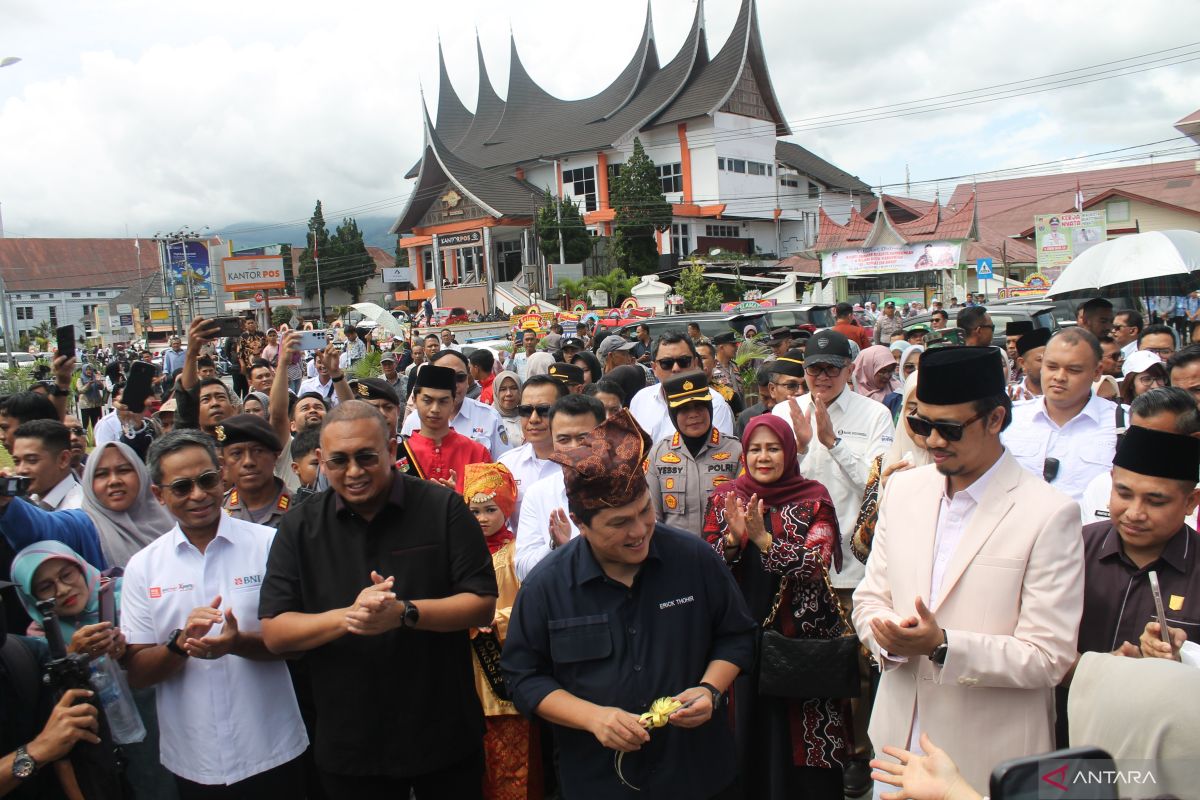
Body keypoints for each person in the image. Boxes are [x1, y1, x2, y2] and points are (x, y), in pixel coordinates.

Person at [852, 345, 1083, 795]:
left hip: (985, 761)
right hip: (895, 752)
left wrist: (943, 647)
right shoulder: (902, 490)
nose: (932, 441)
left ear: (995, 419)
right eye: (920, 424)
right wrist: (889, 639)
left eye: (949, 429)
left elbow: (1049, 656)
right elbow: (869, 597)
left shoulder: (1048, 513)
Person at [501, 410, 756, 800]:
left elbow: (736, 636)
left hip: (697, 773)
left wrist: (710, 689)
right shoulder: (547, 587)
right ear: (580, 523)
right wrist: (594, 718)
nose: (639, 532)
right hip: (597, 781)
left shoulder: (694, 560)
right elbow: (524, 678)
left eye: (645, 512)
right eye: (619, 523)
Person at [258, 402, 498, 796]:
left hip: (442, 728)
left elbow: (480, 602)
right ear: (320, 460)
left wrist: (405, 613)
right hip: (350, 739)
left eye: (366, 457)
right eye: (338, 461)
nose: (354, 472)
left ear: (391, 449)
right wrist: (349, 618)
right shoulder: (300, 527)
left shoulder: (443, 509)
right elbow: (276, 631)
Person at [119, 431, 307, 796]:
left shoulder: (269, 546)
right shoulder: (143, 568)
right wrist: (178, 646)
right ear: (159, 495)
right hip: (195, 758)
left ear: (222, 475)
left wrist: (237, 644)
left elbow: (298, 646)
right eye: (181, 487)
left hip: (273, 746)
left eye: (206, 480)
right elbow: (138, 672)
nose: (198, 495)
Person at [703, 414, 848, 798]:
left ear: (787, 450)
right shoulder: (725, 498)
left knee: (803, 741)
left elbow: (816, 563)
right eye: (755, 449)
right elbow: (708, 567)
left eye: (772, 448)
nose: (763, 457)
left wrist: (765, 541)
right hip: (740, 641)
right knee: (744, 733)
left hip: (801, 643)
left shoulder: (813, 499)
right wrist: (733, 542)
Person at [770, 331, 893, 590]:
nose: (823, 377)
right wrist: (799, 449)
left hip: (851, 567)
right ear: (804, 370)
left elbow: (877, 488)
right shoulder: (783, 412)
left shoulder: (875, 415)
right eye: (815, 369)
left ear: (849, 370)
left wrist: (834, 445)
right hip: (794, 560)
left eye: (832, 368)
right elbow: (771, 485)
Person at [1077, 424, 1200, 663]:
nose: (1134, 513)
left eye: (1155, 501)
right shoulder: (1074, 548)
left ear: (1191, 502)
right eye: (1124, 494)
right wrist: (1094, 670)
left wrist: (1182, 659)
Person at [460, 463, 542, 800]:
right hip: (468, 666)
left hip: (503, 658)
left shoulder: (517, 554)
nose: (481, 518)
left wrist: (497, 620)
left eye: (490, 509)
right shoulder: (460, 553)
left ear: (506, 508)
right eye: (474, 510)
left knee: (512, 750)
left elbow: (529, 605)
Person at [1002, 328, 1117, 503]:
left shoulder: (1121, 423)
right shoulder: (1010, 420)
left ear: (1097, 372)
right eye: (1051, 367)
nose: (1060, 377)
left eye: (1073, 370)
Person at [514, 394, 606, 580]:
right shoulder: (538, 494)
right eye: (563, 440)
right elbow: (522, 571)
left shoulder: (627, 486)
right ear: (553, 440)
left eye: (583, 438)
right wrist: (554, 547)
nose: (574, 448)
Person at [1079, 387, 1200, 524]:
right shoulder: (1101, 486)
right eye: (1135, 437)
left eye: (1156, 501)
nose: (1143, 449)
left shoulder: (1186, 491)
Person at [646, 373, 742, 536]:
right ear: (673, 414)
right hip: (678, 555)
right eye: (684, 409)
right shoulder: (658, 454)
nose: (693, 415)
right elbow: (652, 516)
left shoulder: (736, 450)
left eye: (699, 406)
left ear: (709, 408)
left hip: (724, 555)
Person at [401, 350, 512, 458]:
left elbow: (505, 465)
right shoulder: (413, 421)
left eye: (459, 377)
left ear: (468, 380)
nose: (452, 384)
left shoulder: (490, 417)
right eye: (444, 377)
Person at [399, 365, 492, 492]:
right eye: (427, 400)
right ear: (414, 400)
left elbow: (491, 507)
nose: (435, 409)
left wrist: (458, 499)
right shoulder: (400, 455)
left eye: (443, 401)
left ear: (453, 403)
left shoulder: (476, 453)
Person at [630, 333, 734, 441]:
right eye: (666, 363)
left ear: (695, 364)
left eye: (684, 361)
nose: (676, 368)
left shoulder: (715, 403)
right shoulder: (640, 399)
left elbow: (719, 454)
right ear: (654, 368)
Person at [497, 375, 567, 531]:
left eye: (544, 411)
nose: (534, 419)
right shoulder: (506, 465)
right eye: (526, 410)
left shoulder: (581, 464)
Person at [219, 414, 292, 529]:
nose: (248, 462)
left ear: (275, 456)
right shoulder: (217, 511)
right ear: (224, 464)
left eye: (258, 451)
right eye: (237, 454)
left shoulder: (301, 507)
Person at [11, 420, 83, 511]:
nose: (21, 470)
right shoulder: (29, 502)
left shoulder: (79, 511)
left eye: (32, 460)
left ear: (63, 459)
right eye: (17, 462)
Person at [852, 345, 901, 416]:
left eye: (890, 371)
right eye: (882, 371)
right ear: (867, 369)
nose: (887, 376)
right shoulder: (849, 393)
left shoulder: (897, 390)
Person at [235, 317, 266, 399]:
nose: (251, 324)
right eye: (248, 323)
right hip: (248, 364)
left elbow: (266, 347)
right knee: (251, 384)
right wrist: (242, 365)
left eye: (252, 322)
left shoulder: (261, 334)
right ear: (245, 325)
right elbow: (239, 351)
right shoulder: (243, 336)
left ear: (255, 324)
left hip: (261, 363)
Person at [492, 370, 523, 447]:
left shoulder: (530, 415)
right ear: (496, 392)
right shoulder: (490, 418)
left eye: (513, 388)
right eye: (502, 389)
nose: (509, 393)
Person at [75, 363, 107, 430]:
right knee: (86, 424)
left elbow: (102, 387)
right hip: (86, 404)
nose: (89, 371)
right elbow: (81, 390)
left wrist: (99, 382)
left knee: (96, 423)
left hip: (96, 404)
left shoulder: (95, 377)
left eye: (90, 369)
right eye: (87, 370)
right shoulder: (80, 379)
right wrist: (88, 384)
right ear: (84, 370)